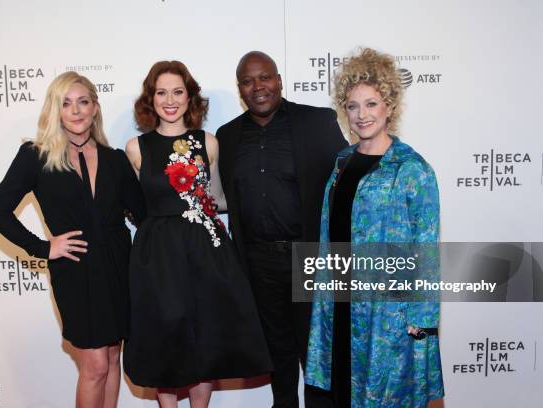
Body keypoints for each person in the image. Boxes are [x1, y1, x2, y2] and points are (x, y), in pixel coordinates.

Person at [0, 71, 146, 408]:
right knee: (95, 365)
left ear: (95, 108)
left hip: (118, 267)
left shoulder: (115, 159)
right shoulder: (36, 156)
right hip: (75, 270)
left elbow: (145, 214)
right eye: (66, 103)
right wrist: (44, 248)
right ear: (55, 111)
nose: (76, 111)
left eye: (83, 102)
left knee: (114, 357)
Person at [122, 60, 272, 408]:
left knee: (206, 341)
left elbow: (217, 199)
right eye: (162, 92)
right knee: (165, 339)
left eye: (178, 92)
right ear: (151, 98)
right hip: (158, 257)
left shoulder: (209, 142)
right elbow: (135, 205)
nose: (170, 100)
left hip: (206, 252)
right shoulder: (134, 148)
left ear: (190, 98)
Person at [304, 48, 444, 407]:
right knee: (340, 392)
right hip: (338, 304)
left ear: (389, 106)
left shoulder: (413, 170)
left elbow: (426, 247)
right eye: (353, 105)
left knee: (384, 396)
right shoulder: (341, 163)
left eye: (371, 104)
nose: (362, 114)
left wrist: (421, 316)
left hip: (386, 313)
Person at [216, 51, 348, 408]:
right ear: (240, 88)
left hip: (308, 258)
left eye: (265, 77)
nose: (258, 87)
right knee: (277, 357)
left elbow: (347, 185)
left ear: (279, 80)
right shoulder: (226, 137)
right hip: (257, 262)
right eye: (248, 81)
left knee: (317, 356)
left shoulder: (317, 122)